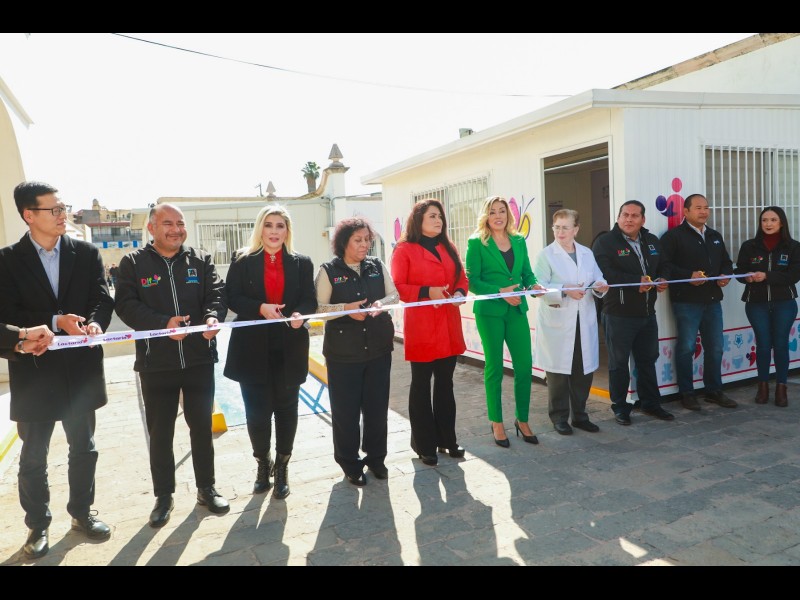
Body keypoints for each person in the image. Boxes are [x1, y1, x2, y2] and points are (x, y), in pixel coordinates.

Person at [0, 181, 114, 560]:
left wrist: (96, 324)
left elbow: (101, 297)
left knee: (85, 448)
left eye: (64, 208)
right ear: (28, 215)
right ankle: (38, 525)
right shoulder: (7, 261)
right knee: (34, 457)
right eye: (54, 210)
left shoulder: (85, 253)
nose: (63, 215)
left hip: (80, 371)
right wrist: (53, 320)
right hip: (34, 374)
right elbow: (6, 316)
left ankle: (82, 514)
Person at [114, 203, 229, 528]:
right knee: (161, 434)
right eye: (168, 223)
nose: (176, 229)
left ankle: (206, 489)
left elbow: (216, 294)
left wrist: (212, 317)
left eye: (180, 223)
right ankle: (163, 497)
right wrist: (164, 323)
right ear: (151, 228)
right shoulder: (133, 263)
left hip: (198, 359)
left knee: (202, 430)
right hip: (156, 364)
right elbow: (125, 304)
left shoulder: (200, 259)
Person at [224, 205, 316, 499]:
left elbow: (308, 299)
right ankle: (263, 464)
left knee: (287, 411)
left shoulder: (302, 263)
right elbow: (232, 298)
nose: (274, 231)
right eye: (269, 225)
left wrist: (301, 314)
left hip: (289, 346)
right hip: (252, 348)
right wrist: (259, 308)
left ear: (288, 230)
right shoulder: (242, 260)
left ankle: (283, 467)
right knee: (258, 414)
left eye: (280, 226)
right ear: (260, 229)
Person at [315, 217, 397, 486]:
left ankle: (376, 458)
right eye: (358, 240)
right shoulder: (329, 271)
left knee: (376, 409)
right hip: (343, 355)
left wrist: (379, 304)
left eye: (367, 240)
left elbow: (393, 295)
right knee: (345, 412)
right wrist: (346, 309)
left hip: (378, 349)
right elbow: (318, 310)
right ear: (343, 242)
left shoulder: (376, 266)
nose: (364, 245)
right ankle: (349, 463)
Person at [391, 199, 469, 465]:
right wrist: (426, 292)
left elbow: (462, 276)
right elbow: (398, 287)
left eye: (440, 216)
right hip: (422, 325)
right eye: (432, 216)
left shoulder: (448, 246)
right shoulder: (404, 250)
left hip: (448, 323)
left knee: (446, 384)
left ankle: (447, 439)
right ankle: (424, 445)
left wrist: (459, 292)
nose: (438, 221)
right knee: (421, 385)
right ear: (419, 220)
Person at [465, 195, 544, 447]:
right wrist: (500, 291)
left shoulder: (519, 240)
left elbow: (526, 272)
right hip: (490, 312)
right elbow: (472, 281)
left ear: (508, 215)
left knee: (524, 366)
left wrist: (533, 284)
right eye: (492, 212)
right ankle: (496, 422)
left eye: (502, 211)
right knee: (495, 367)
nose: (498, 216)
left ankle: (522, 420)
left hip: (517, 310)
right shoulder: (476, 243)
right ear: (486, 216)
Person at [592, 200, 674, 426]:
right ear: (618, 217)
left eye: (634, 216)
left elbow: (665, 265)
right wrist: (633, 282)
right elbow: (603, 273)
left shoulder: (652, 241)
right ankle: (620, 407)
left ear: (642, 220)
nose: (629, 219)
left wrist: (663, 278)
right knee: (619, 363)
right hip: (618, 314)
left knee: (648, 360)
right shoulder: (605, 242)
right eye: (625, 215)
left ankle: (650, 403)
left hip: (647, 313)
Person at [533, 208, 608, 435]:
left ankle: (580, 416)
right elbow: (538, 287)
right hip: (559, 321)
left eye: (566, 227)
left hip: (583, 320)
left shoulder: (586, 253)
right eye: (556, 227)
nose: (560, 232)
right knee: (558, 373)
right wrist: (564, 290)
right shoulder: (546, 255)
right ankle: (559, 417)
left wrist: (601, 285)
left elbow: (598, 277)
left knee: (582, 371)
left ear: (576, 229)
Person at [660, 193, 738, 411]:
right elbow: (665, 267)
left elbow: (726, 262)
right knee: (686, 347)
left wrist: (725, 275)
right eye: (698, 208)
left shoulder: (714, 235)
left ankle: (714, 390)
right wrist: (688, 275)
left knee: (715, 348)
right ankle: (687, 393)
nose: (703, 211)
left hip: (713, 301)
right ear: (685, 212)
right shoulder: (673, 237)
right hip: (686, 302)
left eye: (706, 207)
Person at [734, 206, 800, 407]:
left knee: (780, 344)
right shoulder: (749, 246)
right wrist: (746, 277)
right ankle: (762, 386)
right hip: (756, 304)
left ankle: (781, 387)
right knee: (763, 344)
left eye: (773, 220)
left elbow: (793, 276)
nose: (768, 224)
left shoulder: (793, 246)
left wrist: (767, 276)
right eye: (764, 220)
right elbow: (740, 272)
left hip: (785, 303)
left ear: (781, 222)